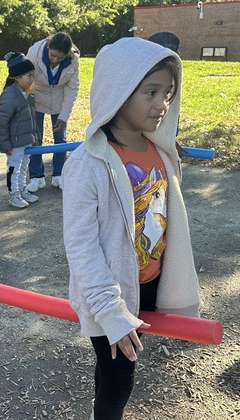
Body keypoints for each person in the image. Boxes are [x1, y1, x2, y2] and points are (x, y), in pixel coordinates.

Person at [61, 38, 201, 419]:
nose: (162, 104)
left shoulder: (160, 150)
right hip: (111, 293)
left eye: (168, 93)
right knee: (120, 379)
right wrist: (110, 310)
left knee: (113, 370)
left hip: (150, 280)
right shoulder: (87, 164)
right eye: (151, 92)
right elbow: (81, 245)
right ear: (118, 91)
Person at [25, 32, 80, 192]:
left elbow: (72, 87)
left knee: (60, 139)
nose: (55, 60)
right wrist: (28, 106)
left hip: (59, 99)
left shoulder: (73, 60)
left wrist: (64, 115)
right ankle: (36, 177)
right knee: (35, 138)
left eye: (60, 58)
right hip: (36, 96)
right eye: (53, 55)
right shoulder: (34, 53)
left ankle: (59, 175)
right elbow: (25, 81)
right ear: (48, 47)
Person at [0, 52, 40, 209]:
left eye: (32, 75)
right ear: (17, 77)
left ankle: (22, 190)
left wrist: (35, 136)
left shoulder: (28, 93)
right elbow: (0, 122)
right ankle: (13, 194)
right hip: (14, 143)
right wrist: (4, 144)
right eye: (29, 76)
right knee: (13, 168)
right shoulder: (9, 96)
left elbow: (32, 117)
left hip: (26, 140)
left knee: (24, 167)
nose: (32, 79)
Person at [148, 31, 185, 156]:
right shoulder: (145, 76)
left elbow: (172, 110)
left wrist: (171, 139)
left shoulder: (174, 76)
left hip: (164, 138)